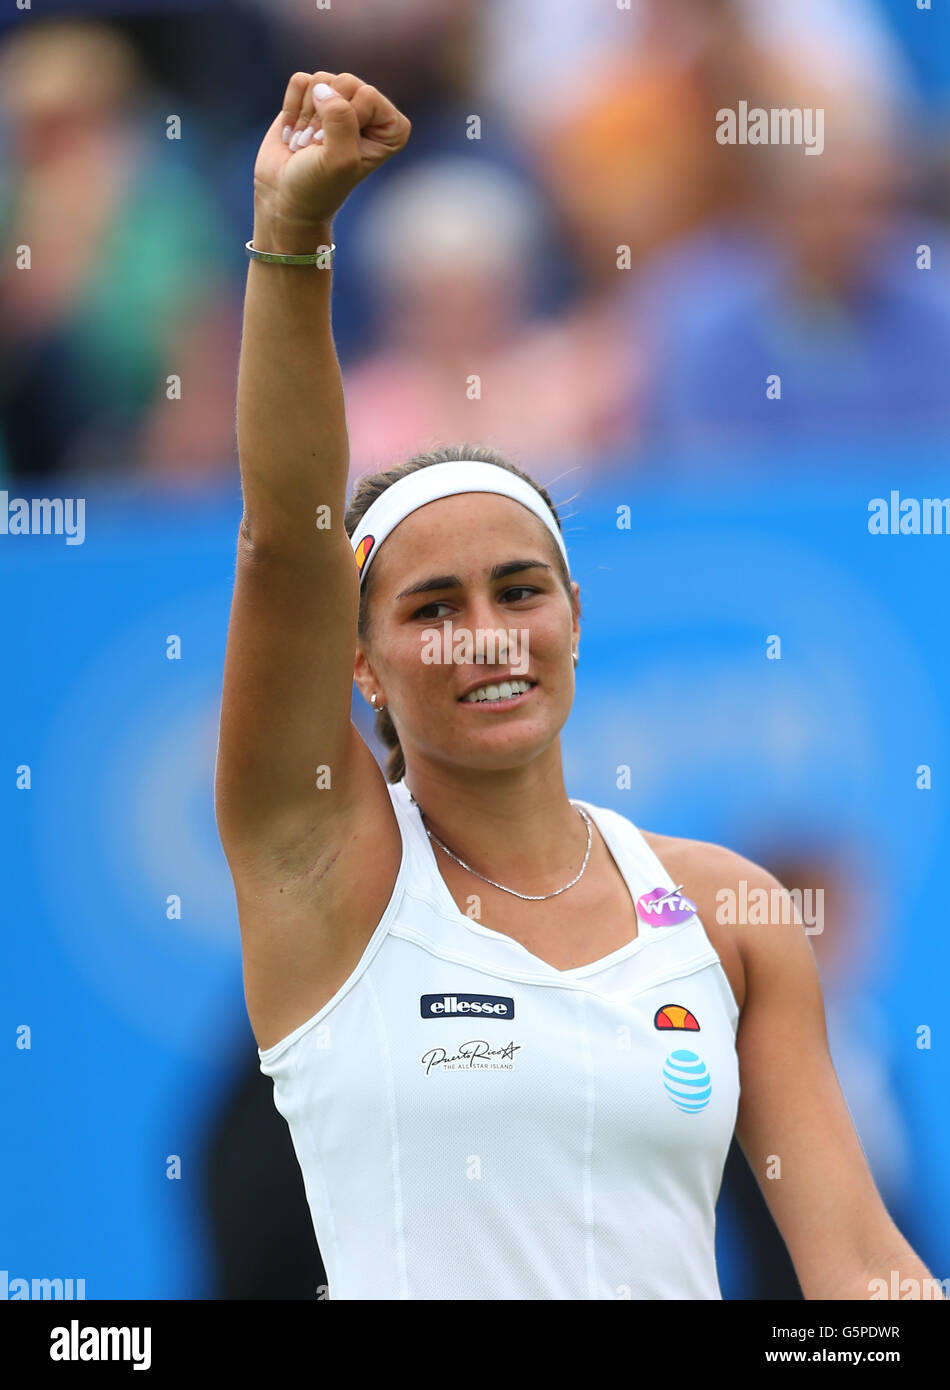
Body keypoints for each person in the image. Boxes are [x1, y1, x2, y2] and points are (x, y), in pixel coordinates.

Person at [214, 69, 941, 1300]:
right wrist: (291, 240)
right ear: (358, 664)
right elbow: (286, 535)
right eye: (430, 608)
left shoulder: (729, 913)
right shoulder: (324, 869)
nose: (486, 634)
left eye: (517, 589)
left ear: (573, 619)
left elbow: (860, 1275)